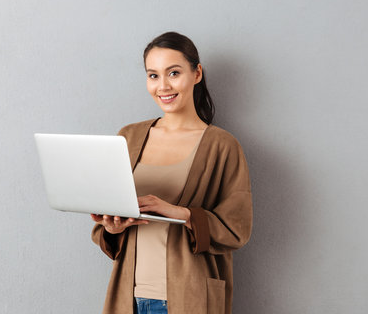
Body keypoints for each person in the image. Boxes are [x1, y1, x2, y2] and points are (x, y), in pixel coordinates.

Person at [90, 31, 253, 314]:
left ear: (197, 73)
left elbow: (237, 229)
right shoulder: (128, 137)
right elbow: (109, 219)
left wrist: (183, 214)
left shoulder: (222, 146)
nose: (162, 86)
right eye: (153, 75)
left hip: (188, 297)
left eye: (173, 73)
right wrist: (112, 228)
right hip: (129, 297)